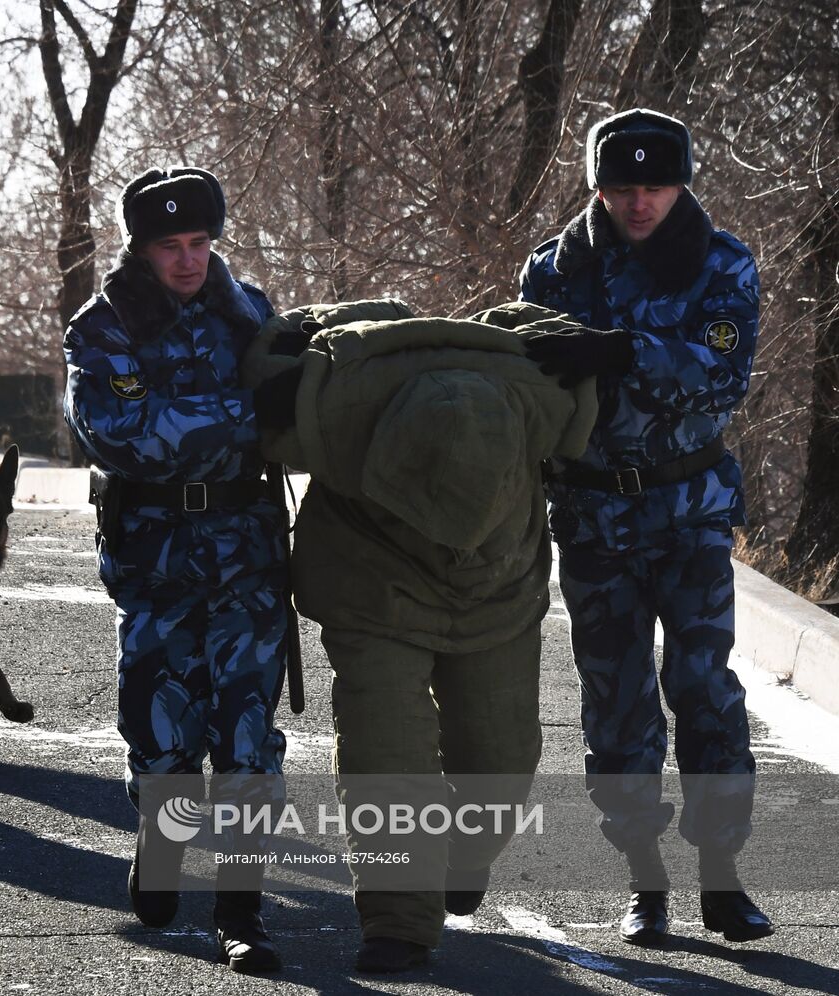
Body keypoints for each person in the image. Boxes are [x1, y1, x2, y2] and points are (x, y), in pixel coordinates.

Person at [241, 298, 597, 972]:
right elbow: (274, 379)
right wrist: (292, 356)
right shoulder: (335, 410)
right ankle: (398, 922)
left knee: (501, 753)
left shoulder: (537, 398)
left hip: (500, 584)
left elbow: (551, 335)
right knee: (387, 751)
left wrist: (592, 344)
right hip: (369, 580)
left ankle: (463, 856)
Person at [519, 107, 772, 944]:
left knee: (703, 690)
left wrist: (624, 351)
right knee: (617, 704)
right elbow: (526, 392)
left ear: (680, 184)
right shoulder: (554, 272)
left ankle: (723, 878)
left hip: (688, 509)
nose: (638, 205)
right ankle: (645, 882)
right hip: (593, 515)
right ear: (598, 187)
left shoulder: (721, 264)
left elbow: (722, 379)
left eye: (654, 188)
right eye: (622, 188)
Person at [62, 167, 294, 974]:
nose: (190, 261)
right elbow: (123, 434)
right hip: (155, 558)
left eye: (200, 243)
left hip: (248, 556)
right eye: (171, 246)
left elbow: (298, 416)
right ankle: (162, 844)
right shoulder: (104, 326)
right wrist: (243, 416)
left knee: (246, 738)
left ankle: (242, 907)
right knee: (162, 732)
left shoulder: (252, 313)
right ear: (142, 248)